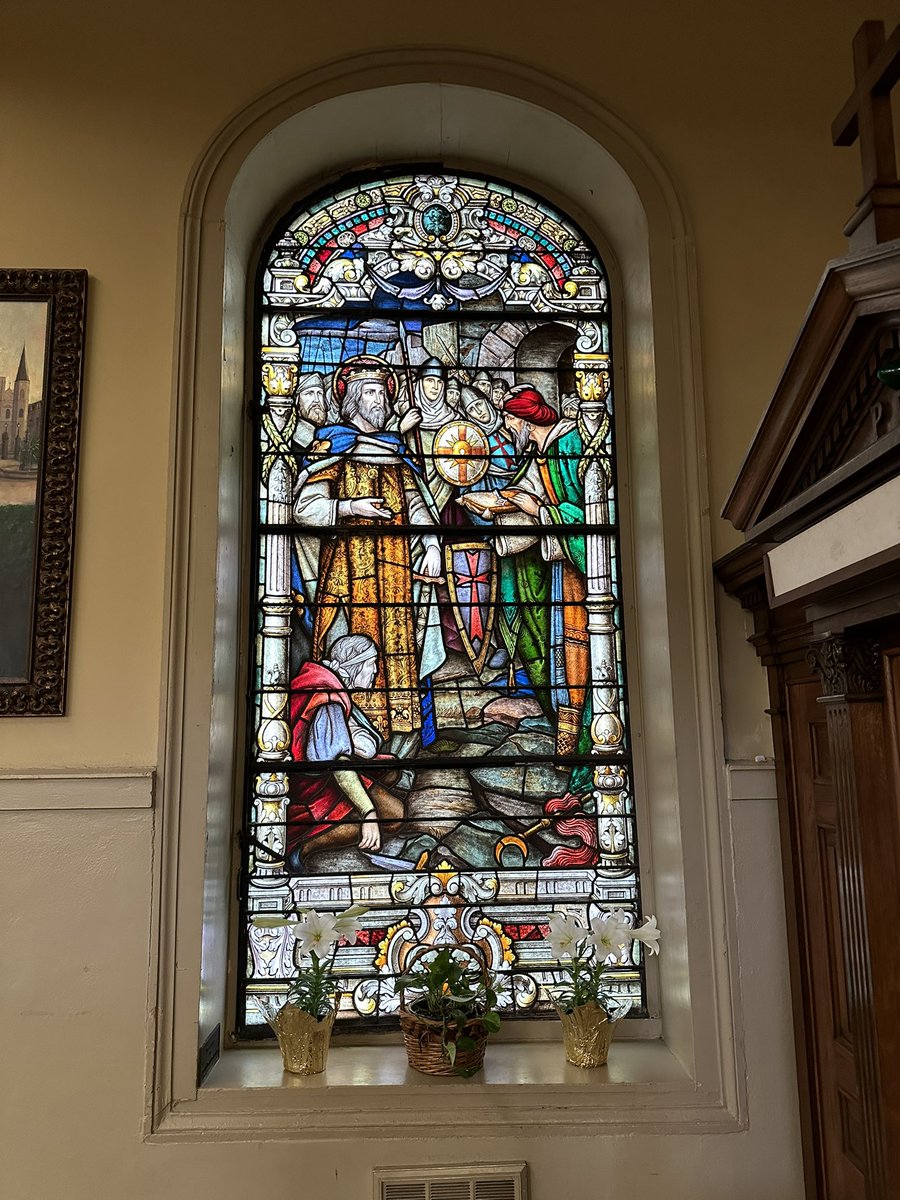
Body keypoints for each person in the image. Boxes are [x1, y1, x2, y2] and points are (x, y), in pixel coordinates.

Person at [293, 355, 445, 745]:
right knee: (349, 651)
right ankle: (348, 745)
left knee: (400, 651)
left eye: (384, 393)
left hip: (395, 574)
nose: (382, 402)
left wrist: (429, 541)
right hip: (348, 573)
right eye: (374, 392)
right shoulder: (335, 446)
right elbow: (305, 509)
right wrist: (349, 507)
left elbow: (418, 506)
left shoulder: (394, 452)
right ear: (355, 398)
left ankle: (399, 749)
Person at [463, 385, 591, 772]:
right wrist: (496, 505)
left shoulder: (568, 446)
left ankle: (583, 744)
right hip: (552, 568)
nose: (505, 426)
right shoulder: (537, 452)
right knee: (552, 649)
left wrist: (539, 510)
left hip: (573, 578)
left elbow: (590, 513)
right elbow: (523, 490)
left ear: (525, 421)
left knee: (572, 653)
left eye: (509, 419)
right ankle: (562, 734)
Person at [284, 634, 405, 871]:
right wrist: (368, 813)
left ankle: (353, 813)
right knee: (395, 816)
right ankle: (303, 849)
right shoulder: (328, 699)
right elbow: (338, 763)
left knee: (390, 771)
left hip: (316, 774)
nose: (375, 673)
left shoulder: (323, 681)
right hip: (312, 788)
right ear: (356, 665)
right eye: (372, 665)